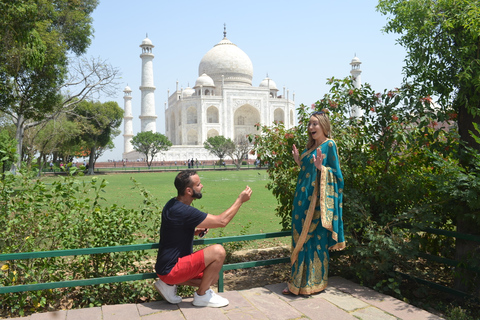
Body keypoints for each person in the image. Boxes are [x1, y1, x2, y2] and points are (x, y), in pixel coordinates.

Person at [154, 170, 252, 307]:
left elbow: (173, 230)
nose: (202, 186)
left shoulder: (172, 204)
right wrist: (240, 200)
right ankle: (202, 296)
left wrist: (193, 232)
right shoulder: (183, 210)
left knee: (212, 277)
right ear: (189, 191)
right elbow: (222, 221)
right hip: (172, 269)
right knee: (218, 251)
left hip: (165, 268)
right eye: (198, 184)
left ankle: (168, 283)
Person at [284, 110, 345, 296]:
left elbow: (337, 176)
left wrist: (322, 169)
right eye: (309, 124)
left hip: (317, 204)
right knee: (299, 241)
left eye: (315, 124)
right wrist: (299, 161)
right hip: (301, 202)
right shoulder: (308, 148)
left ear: (324, 126)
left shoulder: (330, 145)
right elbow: (307, 172)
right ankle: (297, 283)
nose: (311, 127)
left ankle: (313, 283)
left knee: (314, 241)